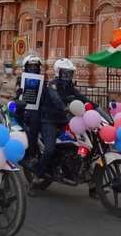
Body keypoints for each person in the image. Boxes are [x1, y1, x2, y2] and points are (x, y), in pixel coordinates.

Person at [32, 58, 93, 192]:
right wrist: (65, 107)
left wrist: (94, 106)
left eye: (70, 73)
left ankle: (93, 184)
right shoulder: (52, 85)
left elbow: (80, 97)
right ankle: (37, 177)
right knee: (49, 149)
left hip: (65, 120)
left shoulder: (69, 87)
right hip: (50, 121)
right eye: (65, 73)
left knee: (85, 145)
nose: (68, 76)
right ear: (58, 72)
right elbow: (56, 99)